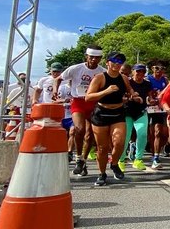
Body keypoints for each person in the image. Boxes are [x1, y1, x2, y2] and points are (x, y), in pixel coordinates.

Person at [85, 51, 137, 186]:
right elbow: (88, 97)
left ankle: (114, 164)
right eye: (114, 61)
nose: (117, 64)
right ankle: (101, 174)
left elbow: (130, 91)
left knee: (119, 141)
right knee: (102, 147)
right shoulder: (99, 78)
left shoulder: (124, 78)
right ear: (107, 62)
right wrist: (106, 91)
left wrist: (134, 95)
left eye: (120, 62)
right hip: (101, 113)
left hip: (118, 112)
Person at [58, 45, 104, 177]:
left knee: (90, 135)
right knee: (79, 129)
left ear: (101, 58)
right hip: (78, 101)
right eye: (91, 57)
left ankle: (82, 161)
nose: (94, 60)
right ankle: (78, 157)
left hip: (94, 103)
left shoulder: (102, 72)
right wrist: (56, 91)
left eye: (97, 58)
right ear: (87, 57)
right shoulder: (76, 68)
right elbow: (59, 79)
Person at [123, 63, 154, 172]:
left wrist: (151, 100)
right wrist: (131, 97)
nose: (140, 73)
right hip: (127, 113)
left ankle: (138, 159)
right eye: (138, 71)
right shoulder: (127, 82)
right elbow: (122, 96)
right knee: (125, 137)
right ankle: (121, 160)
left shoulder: (147, 84)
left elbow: (149, 97)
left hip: (141, 112)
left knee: (142, 134)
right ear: (133, 72)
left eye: (142, 71)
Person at [146, 62, 170, 169]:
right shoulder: (148, 79)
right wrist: (150, 99)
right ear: (152, 68)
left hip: (160, 109)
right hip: (148, 108)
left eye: (162, 68)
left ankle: (156, 153)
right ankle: (154, 155)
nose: (159, 70)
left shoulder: (165, 80)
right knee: (153, 133)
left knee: (162, 133)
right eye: (157, 68)